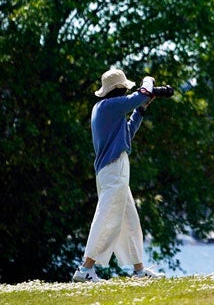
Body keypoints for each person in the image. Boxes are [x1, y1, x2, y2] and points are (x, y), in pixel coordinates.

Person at [72, 68, 170, 282]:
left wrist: (141, 109)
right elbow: (143, 92)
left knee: (129, 220)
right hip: (114, 169)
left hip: (115, 170)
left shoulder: (107, 108)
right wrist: (148, 82)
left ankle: (138, 270)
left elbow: (129, 132)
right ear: (119, 89)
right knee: (107, 217)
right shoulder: (109, 106)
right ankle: (86, 269)